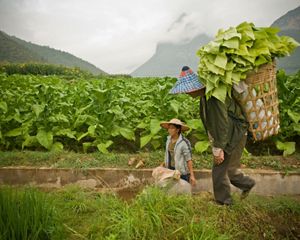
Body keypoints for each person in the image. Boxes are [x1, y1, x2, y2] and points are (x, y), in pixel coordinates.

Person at [169, 66, 255, 205]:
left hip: (233, 134)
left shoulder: (213, 98)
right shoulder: (205, 97)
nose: (186, 93)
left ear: (195, 87)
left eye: (187, 90)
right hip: (234, 132)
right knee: (230, 169)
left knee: (219, 170)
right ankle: (247, 184)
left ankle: (224, 202)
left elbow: (221, 124)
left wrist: (218, 148)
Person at [160, 118, 196, 186]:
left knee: (183, 192)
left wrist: (192, 175)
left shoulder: (184, 142)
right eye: (169, 128)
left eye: (172, 128)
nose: (169, 130)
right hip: (171, 170)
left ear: (177, 130)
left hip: (182, 172)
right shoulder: (168, 140)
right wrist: (163, 164)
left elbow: (189, 159)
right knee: (172, 191)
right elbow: (168, 154)